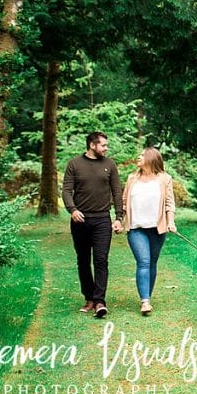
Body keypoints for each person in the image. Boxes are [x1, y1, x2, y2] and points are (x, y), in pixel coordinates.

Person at [62, 131, 123, 318]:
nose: (106, 148)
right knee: (83, 260)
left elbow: (117, 191)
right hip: (80, 220)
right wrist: (72, 210)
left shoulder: (109, 164)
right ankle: (89, 298)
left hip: (102, 220)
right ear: (92, 145)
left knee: (101, 260)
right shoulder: (74, 164)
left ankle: (100, 301)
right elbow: (66, 190)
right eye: (103, 145)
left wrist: (119, 217)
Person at [122, 147, 176, 315]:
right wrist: (119, 220)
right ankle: (145, 301)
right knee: (144, 261)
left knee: (152, 262)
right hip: (136, 228)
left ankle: (147, 296)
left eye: (142, 155)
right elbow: (123, 202)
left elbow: (169, 203)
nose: (138, 157)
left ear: (152, 159)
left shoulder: (165, 179)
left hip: (157, 228)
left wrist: (171, 222)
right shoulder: (132, 178)